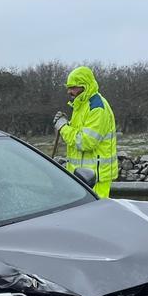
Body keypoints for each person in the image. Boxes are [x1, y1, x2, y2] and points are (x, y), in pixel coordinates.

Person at [53, 66, 118, 198]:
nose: (69, 91)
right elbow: (78, 134)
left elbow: (85, 142)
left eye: (73, 87)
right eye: (68, 87)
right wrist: (66, 125)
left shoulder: (97, 108)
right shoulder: (81, 105)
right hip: (82, 177)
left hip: (95, 178)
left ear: (85, 86)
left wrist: (63, 127)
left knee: (97, 211)